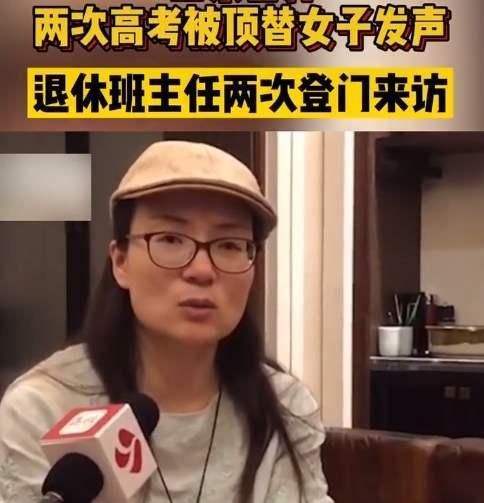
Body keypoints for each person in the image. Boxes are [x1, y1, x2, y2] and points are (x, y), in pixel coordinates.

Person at [0, 141, 334, 503]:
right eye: (171, 239)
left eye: (229, 244)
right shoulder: (44, 408)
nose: (202, 270)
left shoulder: (284, 407)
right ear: (121, 262)